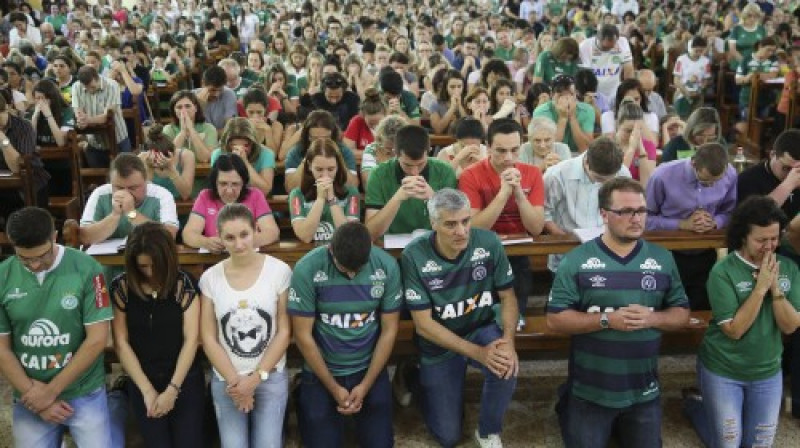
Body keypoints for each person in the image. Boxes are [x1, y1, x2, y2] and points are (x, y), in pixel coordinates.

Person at [547, 177, 690, 448]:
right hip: (591, 392)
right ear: (604, 214)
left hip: (643, 391)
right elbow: (555, 319)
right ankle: (566, 403)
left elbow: (681, 312)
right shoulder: (577, 260)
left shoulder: (662, 259)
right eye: (625, 211)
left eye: (641, 210)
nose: (636, 218)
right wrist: (606, 320)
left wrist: (652, 318)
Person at [402, 188, 519, 448]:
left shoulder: (488, 242)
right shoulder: (414, 255)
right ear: (433, 224)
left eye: (466, 221)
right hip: (438, 342)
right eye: (450, 224)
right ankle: (412, 376)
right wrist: (478, 353)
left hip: (480, 327)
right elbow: (424, 326)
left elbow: (508, 297)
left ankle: (488, 432)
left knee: (506, 365)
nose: (462, 231)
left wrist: (508, 341)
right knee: (448, 436)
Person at [0, 207, 113, 447]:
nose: (35, 265)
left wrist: (51, 392)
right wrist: (34, 395)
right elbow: (2, 348)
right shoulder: (3, 276)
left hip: (83, 390)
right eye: (25, 259)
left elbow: (97, 339)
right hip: (29, 392)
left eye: (42, 255)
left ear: (54, 237)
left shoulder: (87, 268)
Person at [695, 196, 800, 447]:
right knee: (728, 441)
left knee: (758, 443)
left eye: (774, 238)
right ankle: (696, 407)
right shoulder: (723, 272)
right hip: (723, 369)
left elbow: (790, 326)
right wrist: (760, 288)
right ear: (743, 236)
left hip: (767, 372)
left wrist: (775, 289)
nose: (769, 246)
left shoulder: (789, 268)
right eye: (761, 240)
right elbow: (734, 329)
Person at [289, 222, 401, 447]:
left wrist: (366, 384)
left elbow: (389, 331)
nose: (351, 273)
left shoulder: (387, 265)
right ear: (330, 249)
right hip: (323, 369)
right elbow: (302, 336)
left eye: (358, 268)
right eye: (344, 268)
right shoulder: (307, 268)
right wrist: (333, 387)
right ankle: (303, 389)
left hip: (368, 367)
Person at [199, 203, 291, 448]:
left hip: (269, 375)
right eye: (229, 237)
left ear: (255, 230)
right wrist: (236, 383)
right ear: (219, 238)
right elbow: (208, 338)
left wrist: (255, 379)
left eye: (244, 235)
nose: (238, 244)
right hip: (227, 378)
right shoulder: (210, 278)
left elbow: (284, 331)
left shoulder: (279, 271)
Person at [110, 223, 204, 447]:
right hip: (143, 375)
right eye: (143, 266)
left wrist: (172, 390)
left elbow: (192, 340)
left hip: (183, 376)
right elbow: (121, 343)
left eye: (156, 266)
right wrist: (147, 390)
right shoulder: (122, 287)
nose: (150, 273)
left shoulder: (185, 284)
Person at [459, 119, 545, 328]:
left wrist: (518, 194)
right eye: (500, 151)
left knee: (514, 321)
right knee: (482, 323)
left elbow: (536, 228)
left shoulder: (532, 173)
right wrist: (503, 193)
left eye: (515, 150)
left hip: (518, 252)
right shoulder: (470, 175)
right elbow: (474, 228)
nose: (508, 158)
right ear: (487, 148)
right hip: (481, 251)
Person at [646, 143, 737, 310]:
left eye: (715, 183)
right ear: (694, 164)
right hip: (667, 253)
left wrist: (715, 222)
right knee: (668, 307)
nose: (709, 186)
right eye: (705, 181)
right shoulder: (662, 175)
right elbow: (645, 219)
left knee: (701, 308)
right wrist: (681, 224)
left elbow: (731, 212)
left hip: (706, 251)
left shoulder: (730, 173)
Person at [543, 137, 631, 272]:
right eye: (600, 179)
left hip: (608, 253)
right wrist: (567, 239)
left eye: (610, 179)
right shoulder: (556, 175)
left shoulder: (623, 173)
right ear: (586, 162)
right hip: (566, 253)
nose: (604, 183)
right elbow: (544, 214)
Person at [364, 125, 457, 239]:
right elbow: (371, 233)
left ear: (429, 152)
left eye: (421, 164)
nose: (414, 172)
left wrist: (434, 198)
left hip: (433, 244)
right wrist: (397, 199)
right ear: (396, 154)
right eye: (407, 165)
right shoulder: (378, 174)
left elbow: (454, 225)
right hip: (390, 247)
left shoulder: (445, 171)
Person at [182, 153, 279, 251]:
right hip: (215, 260)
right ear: (214, 182)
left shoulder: (255, 195)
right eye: (223, 184)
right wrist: (206, 242)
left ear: (243, 183)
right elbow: (188, 234)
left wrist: (241, 243)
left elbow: (272, 232)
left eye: (235, 184)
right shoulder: (205, 196)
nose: (229, 190)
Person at [80, 153, 179, 245]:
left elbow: (169, 236)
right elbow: (85, 237)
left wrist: (131, 213)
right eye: (119, 187)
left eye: (133, 188)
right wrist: (115, 215)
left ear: (146, 181)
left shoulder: (161, 195)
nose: (126, 193)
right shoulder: (100, 194)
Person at [289, 138, 361, 243]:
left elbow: (348, 237)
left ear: (338, 167)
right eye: (319, 169)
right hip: (310, 253)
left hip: (342, 253)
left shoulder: (352, 193)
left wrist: (332, 200)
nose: (325, 175)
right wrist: (320, 199)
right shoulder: (297, 194)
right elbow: (305, 236)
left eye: (331, 169)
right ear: (309, 166)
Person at [284, 110, 360, 191]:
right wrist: (308, 158)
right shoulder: (296, 152)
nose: (321, 142)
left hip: (336, 198)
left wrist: (338, 158)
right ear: (308, 136)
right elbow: (290, 188)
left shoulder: (344, 151)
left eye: (326, 138)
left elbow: (353, 186)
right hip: (305, 198)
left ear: (333, 135)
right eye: (315, 138)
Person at [72, 65, 131, 167]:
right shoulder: (77, 87)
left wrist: (87, 120)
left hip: (117, 140)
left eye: (92, 87)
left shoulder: (112, 85)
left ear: (97, 78)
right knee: (98, 179)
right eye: (86, 88)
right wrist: (80, 119)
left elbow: (107, 117)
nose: (89, 90)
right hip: (94, 142)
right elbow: (78, 112)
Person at [738, 129, 800, 219]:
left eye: (797, 170)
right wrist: (788, 185)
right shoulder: (747, 180)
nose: (792, 174)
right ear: (772, 154)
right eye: (787, 168)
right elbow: (754, 219)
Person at [211, 117, 275, 196]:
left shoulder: (266, 154)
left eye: (246, 145)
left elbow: (265, 190)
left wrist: (245, 162)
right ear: (227, 144)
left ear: (253, 143)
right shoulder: (218, 154)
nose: (240, 149)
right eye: (234, 145)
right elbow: (216, 187)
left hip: (255, 199)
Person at [532, 74, 595, 153]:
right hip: (552, 157)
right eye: (560, 95)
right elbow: (546, 149)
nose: (566, 99)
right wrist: (563, 118)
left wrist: (572, 117)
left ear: (576, 95)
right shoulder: (541, 112)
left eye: (570, 94)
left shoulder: (587, 110)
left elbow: (585, 148)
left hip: (579, 156)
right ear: (552, 95)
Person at [139, 124, 196, 201]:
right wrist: (150, 169)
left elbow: (185, 194)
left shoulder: (186, 156)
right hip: (154, 206)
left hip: (178, 202)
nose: (161, 161)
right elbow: (142, 197)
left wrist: (171, 169)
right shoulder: (143, 158)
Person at [578, 24, 634, 101]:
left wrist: (628, 91)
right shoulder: (584, 46)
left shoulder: (623, 42)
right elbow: (583, 75)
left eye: (612, 46)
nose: (609, 49)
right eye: (605, 47)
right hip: (594, 92)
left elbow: (629, 69)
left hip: (615, 91)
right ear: (598, 38)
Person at [161, 90, 219, 164]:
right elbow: (168, 157)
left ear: (195, 108)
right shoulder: (168, 129)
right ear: (174, 111)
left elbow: (205, 158)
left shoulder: (209, 129)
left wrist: (192, 130)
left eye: (187, 106)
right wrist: (183, 132)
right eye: (179, 107)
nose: (184, 110)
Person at [613, 101, 657, 186]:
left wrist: (640, 148)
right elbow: (616, 180)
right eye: (628, 131)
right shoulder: (609, 146)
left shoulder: (648, 146)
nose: (632, 135)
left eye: (637, 130)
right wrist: (631, 150)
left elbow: (646, 183)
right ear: (618, 126)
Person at [361, 115, 407, 187]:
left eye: (398, 149)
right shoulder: (372, 149)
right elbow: (369, 182)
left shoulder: (410, 147)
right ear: (380, 140)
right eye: (389, 148)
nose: (394, 153)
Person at [672, 37, 712, 120]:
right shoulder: (681, 60)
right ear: (691, 48)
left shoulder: (705, 61)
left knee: (695, 118)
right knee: (681, 118)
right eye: (696, 51)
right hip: (682, 91)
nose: (698, 53)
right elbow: (676, 80)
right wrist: (686, 92)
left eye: (701, 51)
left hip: (697, 92)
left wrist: (700, 90)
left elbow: (706, 80)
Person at [343, 87, 386, 154]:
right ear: (363, 115)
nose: (375, 126)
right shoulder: (356, 121)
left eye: (379, 122)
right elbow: (348, 152)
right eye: (371, 123)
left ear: (385, 114)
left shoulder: (391, 122)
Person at [194, 66, 238, 131]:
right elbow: (191, 128)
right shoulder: (191, 97)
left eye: (220, 90)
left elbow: (230, 130)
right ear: (203, 83)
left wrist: (209, 134)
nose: (216, 94)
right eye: (213, 90)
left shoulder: (229, 94)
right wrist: (199, 106)